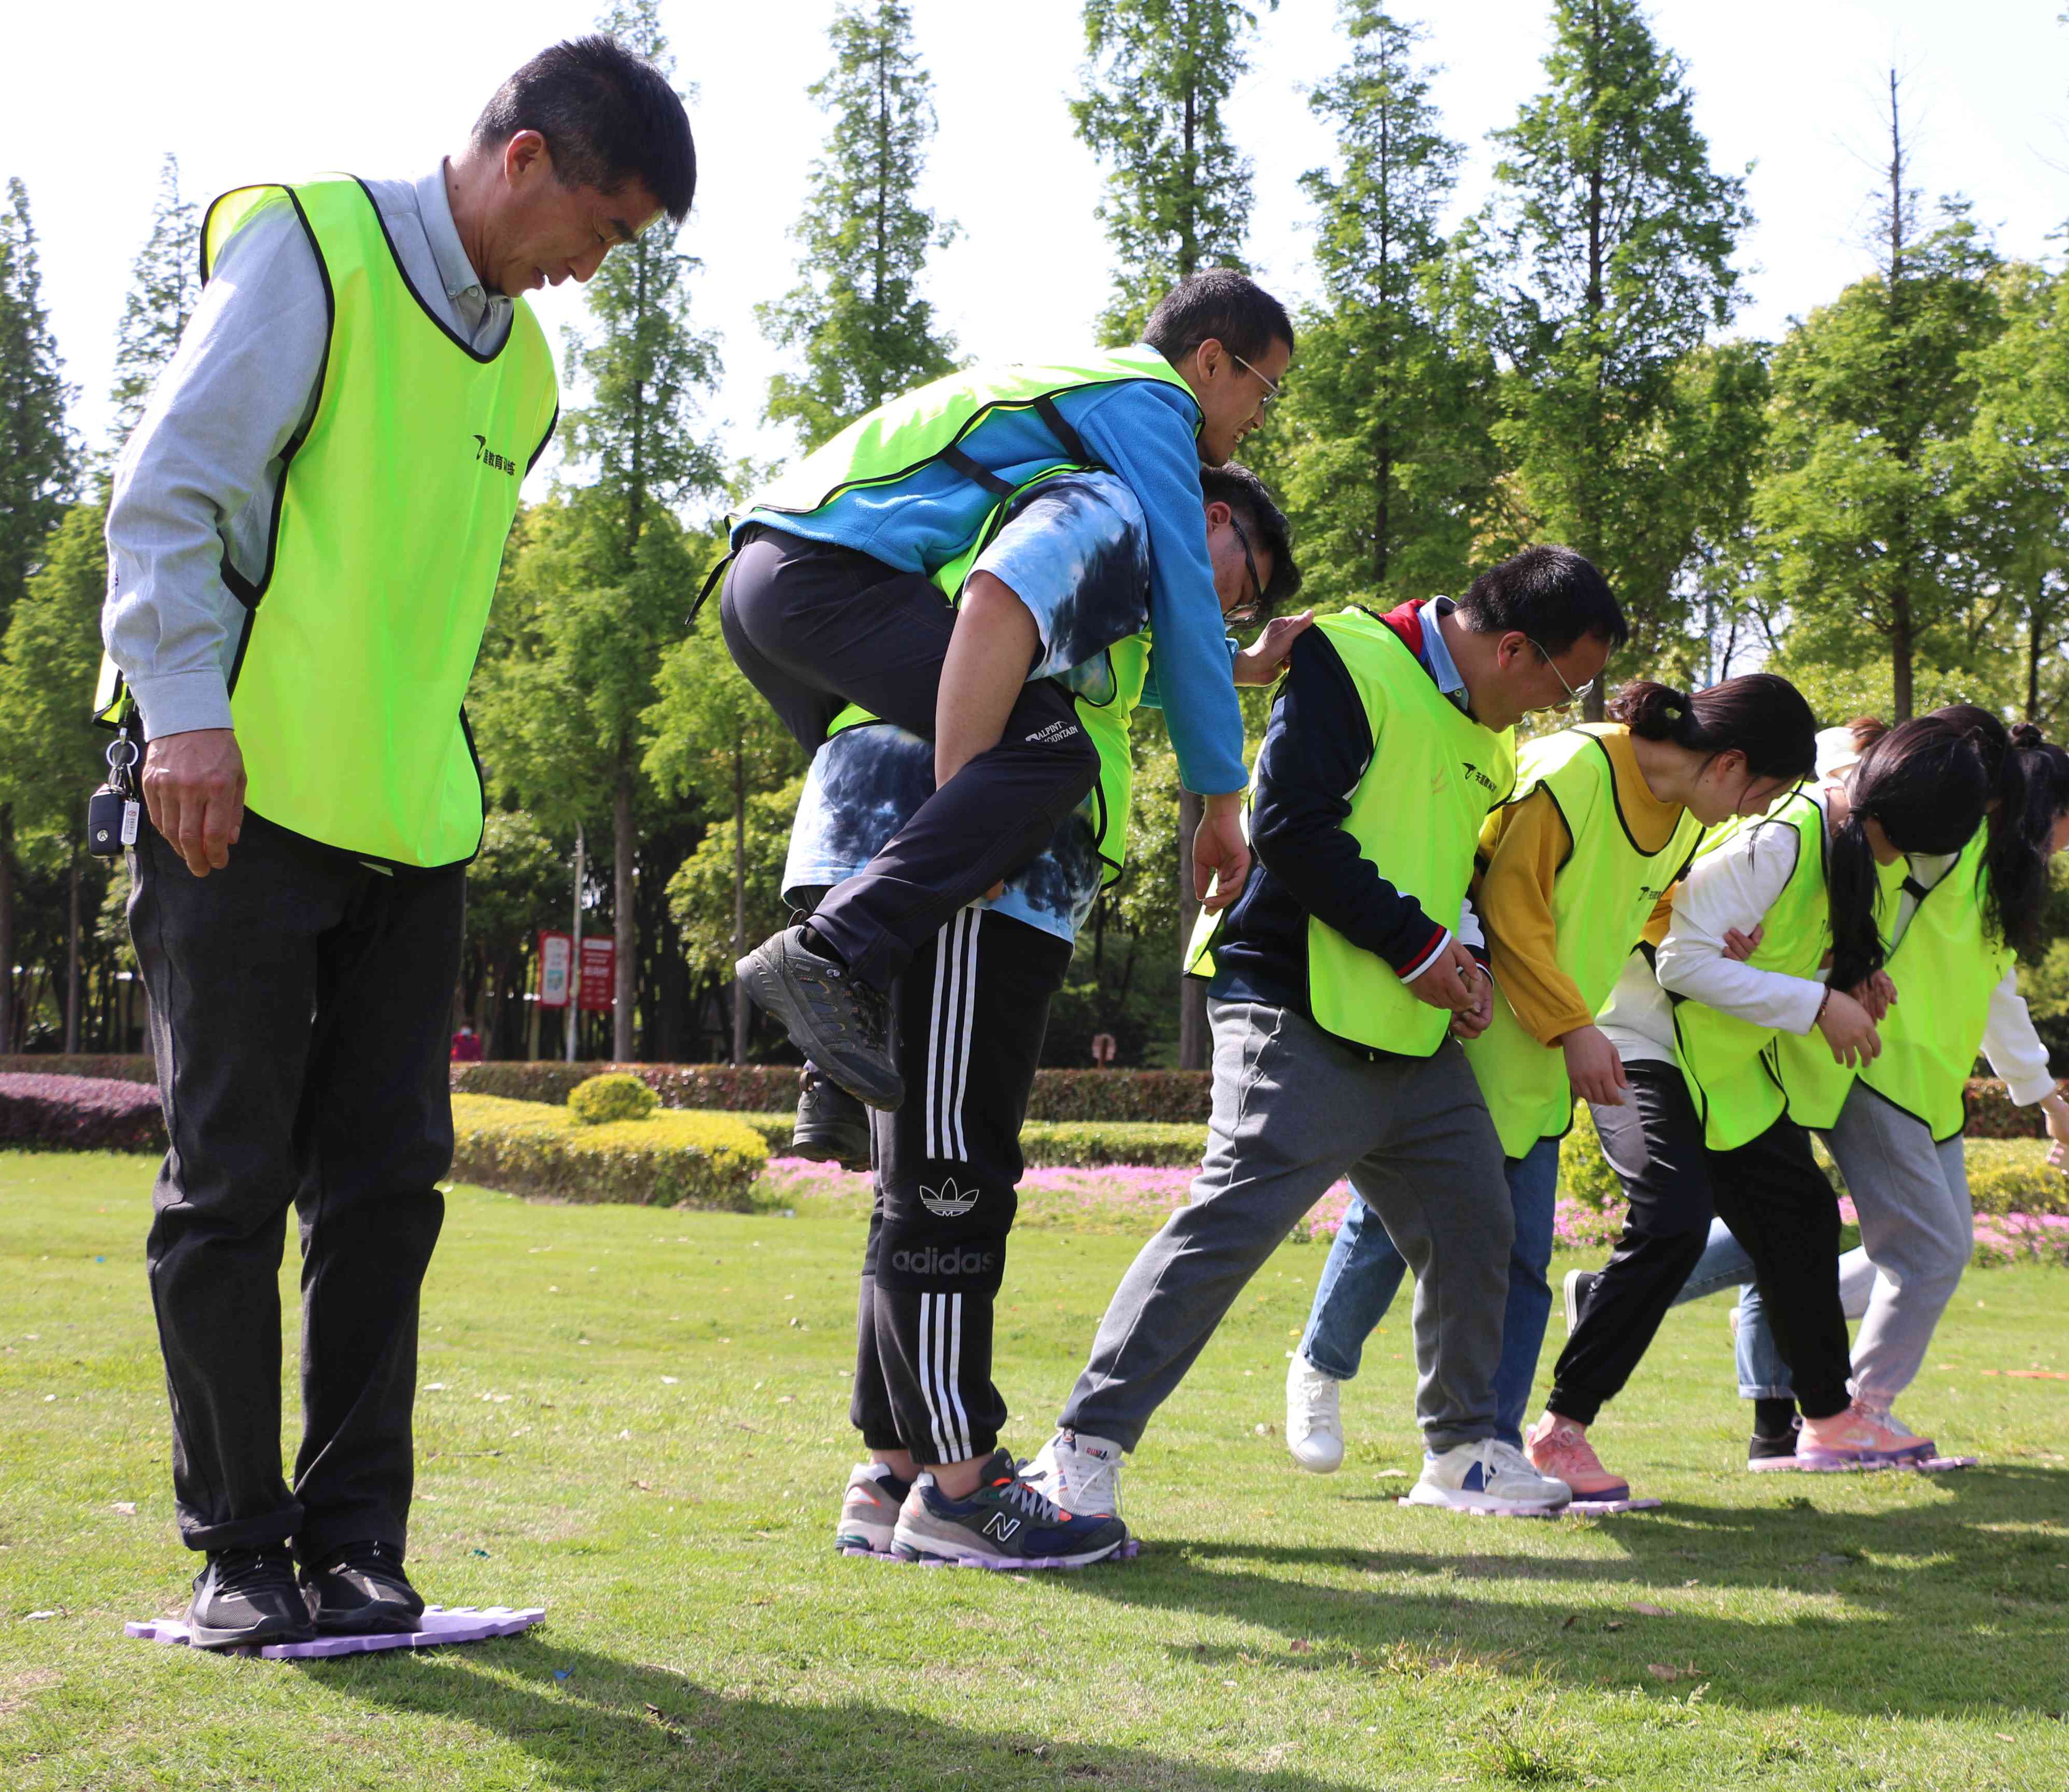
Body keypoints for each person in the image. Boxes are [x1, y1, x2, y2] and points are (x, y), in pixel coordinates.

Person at [94, 37, 694, 1649]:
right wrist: (182, 718)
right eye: (603, 226)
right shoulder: (317, 246)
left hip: (410, 822)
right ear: (528, 159)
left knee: (385, 1189)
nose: (594, 268)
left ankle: (357, 1544)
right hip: (231, 794)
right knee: (228, 1181)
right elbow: (167, 498)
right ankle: (239, 1552)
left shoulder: (528, 372)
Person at [1021, 548, 1625, 1522]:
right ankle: (1081, 1449)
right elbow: (1294, 832)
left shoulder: (1492, 742)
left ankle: (1466, 1454)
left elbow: (1440, 873)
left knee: (1478, 1229)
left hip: (1412, 1029)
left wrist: (1461, 963)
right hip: (1289, 1001)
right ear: (1514, 647)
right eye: (1558, 686)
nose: (1552, 710)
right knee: (1228, 1227)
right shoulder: (1348, 655)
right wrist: (1422, 947)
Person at [786, 461, 1304, 1567]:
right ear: (1212, 516)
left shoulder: (1120, 590)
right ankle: (962, 1487)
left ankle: (897, 1472)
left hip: (967, 874)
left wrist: (1244, 664)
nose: (1230, 611)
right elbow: (996, 604)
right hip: (978, 885)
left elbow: (1099, 666)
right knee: (954, 1180)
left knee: (922, 1176)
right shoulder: (1112, 511)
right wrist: (970, 816)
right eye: (1242, 583)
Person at [717, 272, 1292, 1114]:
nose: (1261, 418)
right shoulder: (1148, 408)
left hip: (774, 581)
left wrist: (1237, 664)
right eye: (1264, 388)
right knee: (1054, 754)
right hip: (825, 574)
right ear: (1211, 361)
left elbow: (1149, 642)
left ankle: (830, 1074)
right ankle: (831, 955)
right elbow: (1177, 593)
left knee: (941, 809)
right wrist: (1221, 802)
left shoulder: (1091, 394)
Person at [1280, 675, 1816, 1487]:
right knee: (1393, 1228)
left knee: (1524, 1255)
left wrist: (1693, 931)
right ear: (1731, 762)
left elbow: (1635, 905)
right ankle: (1320, 1368)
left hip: (1539, 1053)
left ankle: (1489, 1446)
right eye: (1762, 793)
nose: (1752, 812)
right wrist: (1575, 1027)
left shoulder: (1680, 820)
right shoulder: (1573, 768)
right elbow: (1511, 906)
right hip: (1467, 1026)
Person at [1535, 717, 1993, 1492]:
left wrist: (1852, 975)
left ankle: (1831, 1419)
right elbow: (1682, 963)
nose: (1902, 865)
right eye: (1904, 847)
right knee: (1673, 1224)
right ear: (1881, 817)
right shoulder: (1782, 838)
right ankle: (1558, 1432)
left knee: (1803, 1215)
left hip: (1724, 1065)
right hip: (1647, 1040)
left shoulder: (1851, 843)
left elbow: (1798, 937)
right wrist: (1818, 1003)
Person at [1716, 707, 2069, 1463]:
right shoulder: (1948, 845)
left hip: (1931, 1089)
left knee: (1925, 1246)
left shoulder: (1995, 876)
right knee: (1927, 1252)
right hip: (1876, 1067)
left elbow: (1997, 995)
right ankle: (1853, 1415)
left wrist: (2048, 1099)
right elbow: (1841, 786)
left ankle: (1688, 1300)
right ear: (2042, 810)